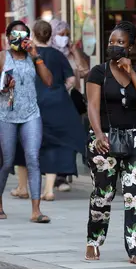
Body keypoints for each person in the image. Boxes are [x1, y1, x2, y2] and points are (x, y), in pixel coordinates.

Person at [85, 21, 136, 265]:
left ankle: (135, 249)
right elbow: (92, 106)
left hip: (133, 139)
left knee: (134, 196)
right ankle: (94, 241)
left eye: (120, 43)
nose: (114, 46)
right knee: (103, 194)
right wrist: (98, 134)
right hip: (104, 138)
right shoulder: (98, 72)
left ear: (131, 47)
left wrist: (131, 71)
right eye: (111, 42)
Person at [10, 20, 87, 201]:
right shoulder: (59, 56)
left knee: (23, 145)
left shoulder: (26, 55)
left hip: (31, 105)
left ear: (34, 35)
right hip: (56, 105)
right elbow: (71, 81)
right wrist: (60, 91)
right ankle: (49, 190)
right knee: (53, 144)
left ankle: (22, 187)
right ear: (50, 35)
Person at [0, 20, 52, 222]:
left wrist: (36, 55)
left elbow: (48, 81)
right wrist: (3, 87)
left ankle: (36, 211)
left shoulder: (33, 57)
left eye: (23, 35)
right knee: (6, 162)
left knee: (33, 158)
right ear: (8, 37)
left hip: (31, 114)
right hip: (6, 115)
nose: (18, 38)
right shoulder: (3, 57)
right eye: (14, 34)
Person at [50, 19, 90, 191]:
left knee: (70, 137)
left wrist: (75, 52)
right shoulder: (48, 53)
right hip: (53, 101)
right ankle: (54, 173)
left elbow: (85, 71)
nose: (64, 38)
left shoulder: (72, 52)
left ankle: (63, 175)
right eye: (61, 34)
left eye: (67, 35)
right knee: (55, 137)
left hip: (71, 100)